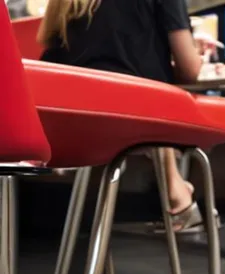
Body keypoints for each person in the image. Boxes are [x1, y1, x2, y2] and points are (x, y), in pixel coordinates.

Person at [38, 0, 211, 231]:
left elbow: (54, 57)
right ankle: (177, 193)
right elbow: (190, 70)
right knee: (158, 97)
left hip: (70, 120)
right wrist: (194, 51)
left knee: (143, 91)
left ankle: (175, 190)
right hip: (137, 117)